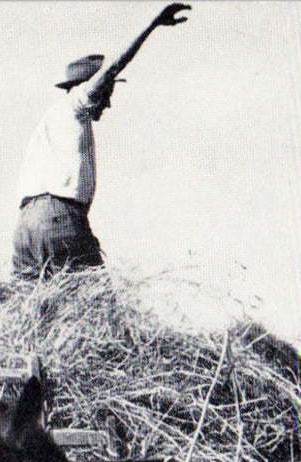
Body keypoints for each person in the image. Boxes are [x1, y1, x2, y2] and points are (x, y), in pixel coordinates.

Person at [12, 4, 192, 279]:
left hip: (24, 227)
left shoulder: (51, 120)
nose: (107, 102)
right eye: (107, 91)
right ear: (93, 86)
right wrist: (152, 24)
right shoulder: (76, 104)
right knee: (95, 306)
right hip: (59, 219)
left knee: (26, 310)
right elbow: (115, 65)